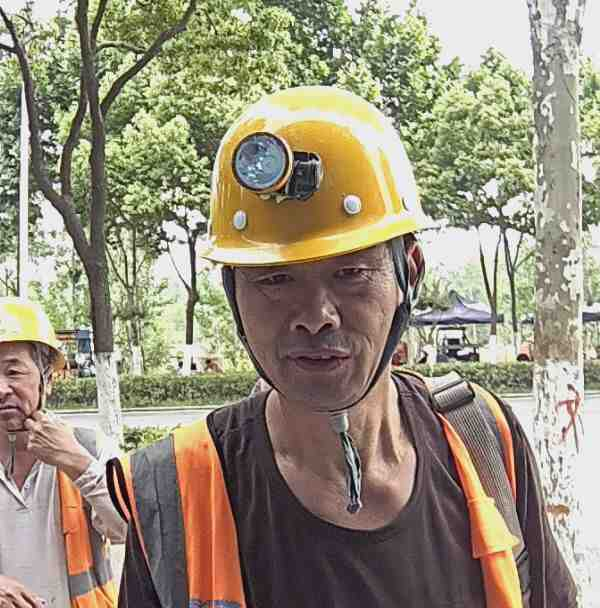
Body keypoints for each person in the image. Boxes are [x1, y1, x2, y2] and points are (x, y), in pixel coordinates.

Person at [108, 86, 576, 607]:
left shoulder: (483, 439)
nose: (316, 317)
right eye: (275, 279)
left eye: (351, 273)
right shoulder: (175, 490)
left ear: (409, 273)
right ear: (233, 292)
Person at [0, 297, 126, 608]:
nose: (1, 389)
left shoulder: (89, 446)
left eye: (13, 372)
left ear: (47, 379)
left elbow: (128, 530)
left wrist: (77, 463)